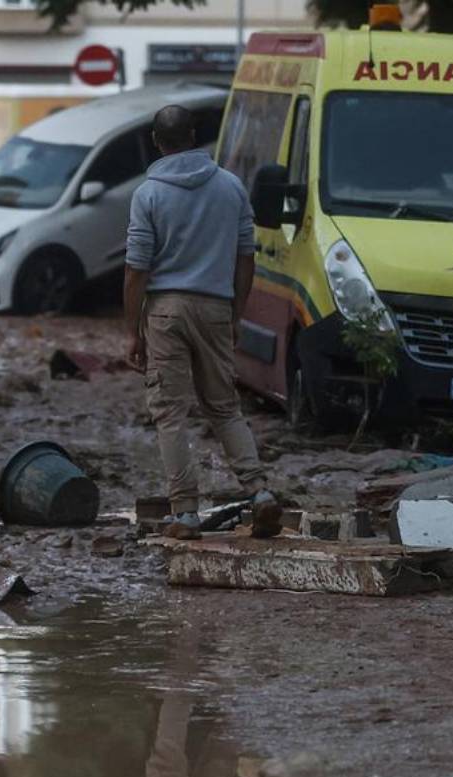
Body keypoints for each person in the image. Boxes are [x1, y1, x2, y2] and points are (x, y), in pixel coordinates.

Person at [123, 105, 281, 541]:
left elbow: (137, 268)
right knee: (225, 407)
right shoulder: (230, 187)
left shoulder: (148, 194)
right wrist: (235, 313)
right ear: (193, 135)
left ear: (156, 141)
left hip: (166, 310)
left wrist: (131, 330)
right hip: (215, 306)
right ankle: (260, 493)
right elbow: (245, 257)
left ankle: (186, 513)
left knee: (170, 413)